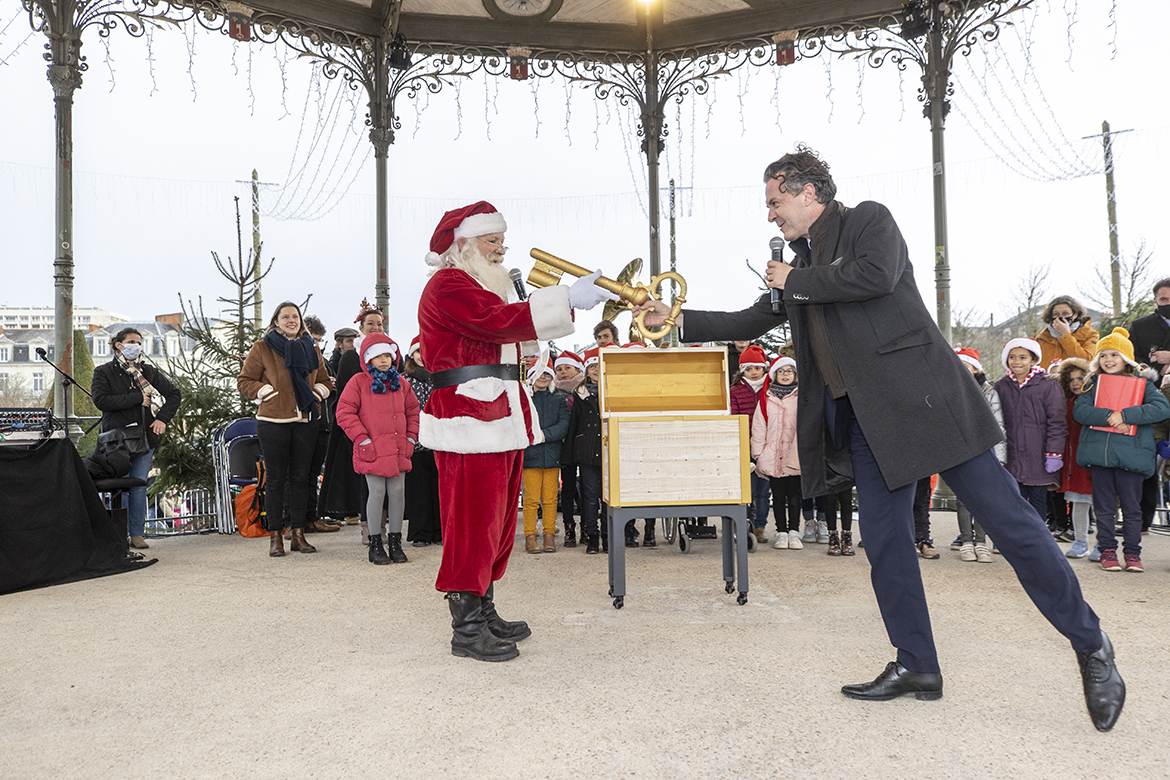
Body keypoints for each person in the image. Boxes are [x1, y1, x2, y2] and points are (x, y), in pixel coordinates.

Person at [634, 146, 1124, 731]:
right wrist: (676, 319)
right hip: (865, 424)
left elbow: (875, 276)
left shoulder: (868, 219)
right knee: (887, 547)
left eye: (775, 201)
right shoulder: (802, 265)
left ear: (807, 192)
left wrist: (798, 278)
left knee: (1012, 525)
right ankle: (917, 664)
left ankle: (1092, 646)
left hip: (927, 405)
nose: (770, 214)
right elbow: (747, 322)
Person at [417, 201, 611, 662]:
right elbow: (495, 323)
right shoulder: (448, 284)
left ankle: (482, 607)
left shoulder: (482, 285)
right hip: (468, 416)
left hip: (496, 414)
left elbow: (510, 332)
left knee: (498, 518)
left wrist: (545, 311)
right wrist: (563, 298)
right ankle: (465, 627)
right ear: (463, 245)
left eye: (501, 240)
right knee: (472, 520)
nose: (502, 248)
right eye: (492, 240)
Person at [236, 301, 332, 558]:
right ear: (276, 321)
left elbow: (324, 380)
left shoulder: (310, 347)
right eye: (286, 317)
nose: (292, 320)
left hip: (304, 421)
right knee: (276, 480)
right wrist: (264, 391)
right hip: (273, 422)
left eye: (295, 316)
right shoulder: (263, 347)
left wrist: (317, 393)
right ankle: (276, 536)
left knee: (300, 478)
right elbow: (244, 381)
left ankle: (298, 534)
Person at [1073, 328, 1170, 573]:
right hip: (1100, 457)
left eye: (1114, 355)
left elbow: (1161, 408)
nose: (1108, 360)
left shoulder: (1143, 383)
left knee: (1131, 508)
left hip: (1131, 457)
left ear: (1126, 358)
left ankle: (1132, 554)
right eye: (1103, 355)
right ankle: (1107, 551)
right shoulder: (1092, 384)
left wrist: (1126, 415)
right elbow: (1080, 412)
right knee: (1104, 508)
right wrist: (1110, 417)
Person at [91, 327, 182, 550]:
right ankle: (117, 534)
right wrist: (136, 398)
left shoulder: (147, 371)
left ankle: (137, 534)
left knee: (139, 485)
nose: (136, 346)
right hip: (115, 440)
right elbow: (101, 401)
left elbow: (174, 394)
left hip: (144, 437)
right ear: (118, 345)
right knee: (119, 485)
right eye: (131, 341)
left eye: (139, 342)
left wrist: (161, 419)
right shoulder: (104, 372)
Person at [335, 333, 420, 565]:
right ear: (367, 358)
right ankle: (375, 543)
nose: (384, 360)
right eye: (378, 356)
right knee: (377, 492)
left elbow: (413, 411)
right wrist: (362, 439)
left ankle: (395, 543)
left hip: (398, 447)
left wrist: (411, 439)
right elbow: (344, 413)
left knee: (397, 492)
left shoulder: (401, 383)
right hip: (372, 448)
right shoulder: (359, 383)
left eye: (387, 355)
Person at [319, 301, 384, 535]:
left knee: (385, 477)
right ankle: (369, 527)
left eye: (379, 323)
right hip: (361, 427)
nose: (375, 327)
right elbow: (347, 398)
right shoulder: (351, 357)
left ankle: (384, 524)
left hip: (385, 425)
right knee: (365, 479)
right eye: (370, 323)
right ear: (362, 328)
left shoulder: (389, 354)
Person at [994, 338, 1067, 523]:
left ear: (1034, 360)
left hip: (1039, 455)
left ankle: (1037, 542)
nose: (1016, 361)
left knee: (1037, 501)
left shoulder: (1048, 385)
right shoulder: (1001, 386)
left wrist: (1054, 453)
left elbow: (1057, 422)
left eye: (1023, 357)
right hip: (1011, 456)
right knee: (1011, 500)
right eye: (1012, 357)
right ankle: (1012, 540)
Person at [751, 356, 803, 550]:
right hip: (772, 455)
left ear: (795, 374)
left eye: (789, 371)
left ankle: (794, 532)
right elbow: (759, 425)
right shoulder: (767, 397)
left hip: (793, 454)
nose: (785, 374)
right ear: (774, 375)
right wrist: (759, 453)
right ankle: (781, 531)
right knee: (778, 496)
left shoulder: (800, 396)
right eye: (781, 371)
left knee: (795, 495)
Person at [297, 315, 341, 534]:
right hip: (304, 422)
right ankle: (294, 522)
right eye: (313, 339)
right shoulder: (298, 355)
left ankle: (312, 517)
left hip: (324, 421)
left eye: (319, 341)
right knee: (298, 474)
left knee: (313, 473)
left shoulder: (320, 358)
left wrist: (330, 384)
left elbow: (329, 382)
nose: (316, 345)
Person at [521, 358, 570, 554]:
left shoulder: (558, 399)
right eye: (540, 372)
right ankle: (530, 536)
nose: (543, 376)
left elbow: (564, 424)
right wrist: (531, 436)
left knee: (550, 499)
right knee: (531, 499)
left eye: (547, 373)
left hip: (551, 456)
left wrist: (542, 436)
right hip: (530, 456)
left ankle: (549, 535)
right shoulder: (524, 399)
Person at [563, 348, 605, 555]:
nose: (596, 370)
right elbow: (574, 425)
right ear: (586, 371)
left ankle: (608, 535)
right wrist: (570, 454)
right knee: (589, 495)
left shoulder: (613, 391)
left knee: (608, 496)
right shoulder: (579, 395)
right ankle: (593, 536)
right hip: (587, 448)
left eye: (599, 366)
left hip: (608, 447)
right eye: (592, 367)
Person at [730, 344, 771, 543]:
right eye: (749, 368)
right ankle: (745, 523)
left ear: (764, 368)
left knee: (764, 491)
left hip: (767, 447)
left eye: (757, 368)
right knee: (748, 489)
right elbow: (734, 418)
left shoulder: (771, 389)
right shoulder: (736, 391)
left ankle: (760, 526)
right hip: (745, 446)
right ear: (742, 370)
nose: (754, 372)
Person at [403, 336, 442, 547]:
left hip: (438, 442)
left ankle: (440, 531)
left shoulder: (440, 379)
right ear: (412, 355)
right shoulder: (404, 381)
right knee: (417, 489)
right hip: (415, 442)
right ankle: (420, 532)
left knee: (439, 488)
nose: (422, 356)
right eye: (418, 352)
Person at [1056, 357, 1094, 559]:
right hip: (1074, 462)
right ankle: (1080, 542)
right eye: (1071, 380)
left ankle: (1103, 545)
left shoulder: (1095, 402)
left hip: (1094, 460)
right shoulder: (1066, 403)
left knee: (1100, 505)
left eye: (1081, 378)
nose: (1076, 383)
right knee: (1079, 504)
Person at [553, 350, 585, 547]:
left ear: (577, 370)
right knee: (568, 488)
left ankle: (588, 526)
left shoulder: (585, 390)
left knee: (589, 489)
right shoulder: (553, 392)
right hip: (565, 447)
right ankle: (569, 527)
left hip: (584, 444)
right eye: (559, 369)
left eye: (567, 368)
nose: (563, 372)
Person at [1034, 295, 1099, 368]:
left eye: (1065, 314)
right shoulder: (1043, 337)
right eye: (1056, 314)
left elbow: (1085, 360)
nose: (1061, 317)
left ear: (1075, 315)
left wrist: (1065, 334)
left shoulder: (1090, 334)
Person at [1125, 277, 1170, 377]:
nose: (1168, 303)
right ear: (1155, 301)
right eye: (1163, 299)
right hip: (1149, 388)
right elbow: (1129, 357)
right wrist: (1158, 369)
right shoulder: (1139, 326)